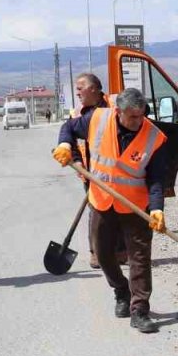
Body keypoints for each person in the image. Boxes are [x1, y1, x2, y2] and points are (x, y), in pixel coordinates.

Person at [53, 87, 168, 334]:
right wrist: (65, 146)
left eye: (141, 115)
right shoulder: (97, 119)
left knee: (139, 258)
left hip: (136, 207)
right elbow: (69, 128)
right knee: (103, 254)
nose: (138, 121)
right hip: (102, 200)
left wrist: (157, 209)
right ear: (118, 112)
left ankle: (139, 310)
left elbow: (157, 179)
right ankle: (121, 291)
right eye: (132, 117)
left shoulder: (153, 137)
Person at [58, 73, 122, 269]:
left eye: (80, 88)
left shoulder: (114, 104)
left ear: (94, 88)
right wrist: (76, 161)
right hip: (91, 172)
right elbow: (73, 138)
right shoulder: (78, 113)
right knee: (97, 211)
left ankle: (120, 252)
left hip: (120, 172)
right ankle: (96, 252)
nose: (77, 92)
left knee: (121, 211)